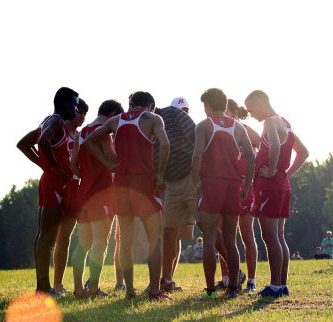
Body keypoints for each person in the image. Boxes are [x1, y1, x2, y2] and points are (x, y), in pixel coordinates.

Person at [84, 91, 171, 301]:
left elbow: (88, 140)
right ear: (150, 105)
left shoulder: (116, 120)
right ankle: (154, 291)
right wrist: (159, 176)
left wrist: (109, 163)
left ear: (130, 104)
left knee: (125, 241)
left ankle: (130, 291)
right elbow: (166, 144)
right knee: (154, 240)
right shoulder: (153, 118)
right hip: (144, 183)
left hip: (121, 184)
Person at [192, 88, 255, 299]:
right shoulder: (238, 127)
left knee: (209, 237)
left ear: (208, 105)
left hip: (212, 184)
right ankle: (234, 288)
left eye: (204, 106)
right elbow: (250, 155)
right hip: (233, 185)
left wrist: (194, 185)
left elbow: (196, 156)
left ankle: (210, 289)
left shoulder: (204, 125)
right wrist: (247, 186)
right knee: (231, 238)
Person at [245, 90, 309, 298]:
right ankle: (281, 285)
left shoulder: (271, 122)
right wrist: (285, 174)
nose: (251, 114)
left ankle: (275, 286)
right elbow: (303, 152)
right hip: (281, 184)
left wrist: (272, 170)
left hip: (270, 185)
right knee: (279, 236)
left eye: (251, 109)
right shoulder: (285, 123)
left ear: (259, 103)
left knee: (270, 236)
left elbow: (273, 145)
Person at [16, 87, 79, 297]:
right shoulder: (56, 121)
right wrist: (52, 167)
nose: (76, 108)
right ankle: (43, 288)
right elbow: (41, 142)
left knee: (46, 235)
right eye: (74, 104)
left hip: (53, 181)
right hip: (54, 183)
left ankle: (43, 286)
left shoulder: (48, 121)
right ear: (64, 104)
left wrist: (44, 166)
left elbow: (24, 144)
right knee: (46, 236)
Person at [70, 100, 124, 298]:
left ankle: (77, 288)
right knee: (100, 244)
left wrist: (87, 173)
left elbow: (74, 165)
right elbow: (112, 160)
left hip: (83, 192)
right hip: (101, 194)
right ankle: (93, 288)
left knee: (83, 243)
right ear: (112, 114)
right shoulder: (103, 132)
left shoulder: (81, 132)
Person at [154, 97, 196, 292]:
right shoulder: (165, 119)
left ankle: (229, 275)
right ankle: (166, 279)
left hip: (189, 179)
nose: (184, 113)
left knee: (183, 233)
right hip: (171, 183)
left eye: (186, 110)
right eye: (182, 110)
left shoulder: (181, 123)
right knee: (170, 233)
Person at [53, 98, 89, 294]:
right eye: (79, 112)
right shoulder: (58, 129)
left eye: (85, 113)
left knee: (65, 237)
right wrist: (49, 168)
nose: (82, 116)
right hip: (58, 186)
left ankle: (59, 284)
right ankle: (50, 284)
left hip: (76, 187)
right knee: (51, 237)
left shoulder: (81, 135)